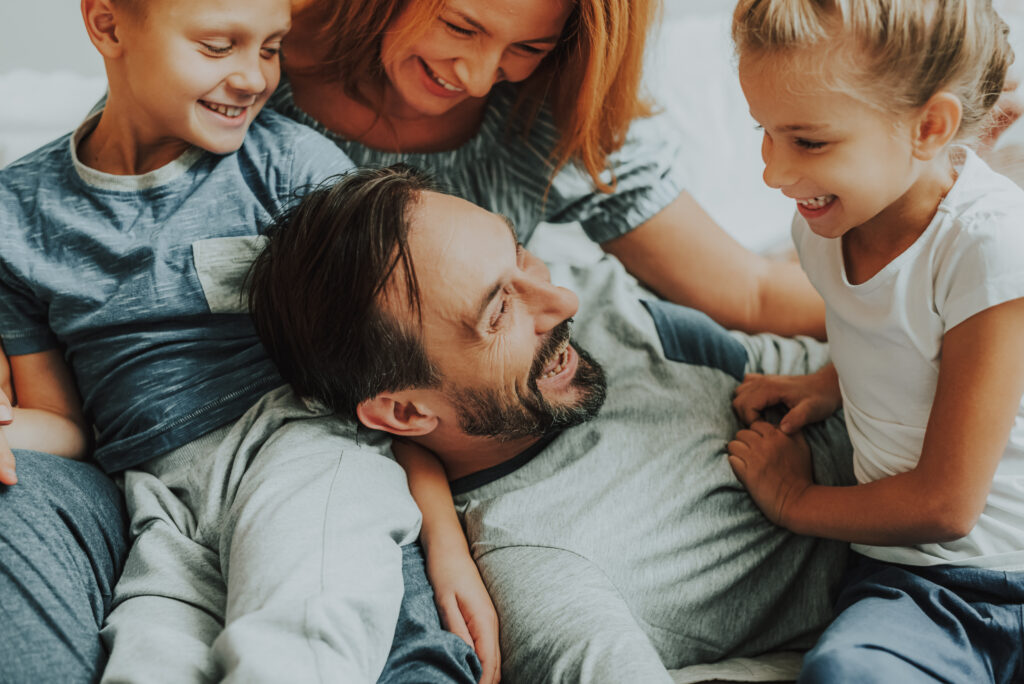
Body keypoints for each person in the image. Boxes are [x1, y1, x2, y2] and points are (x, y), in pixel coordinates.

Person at [0, 0, 482, 681]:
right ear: (107, 26)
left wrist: (447, 541)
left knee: (304, 635)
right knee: (148, 658)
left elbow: (389, 376)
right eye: (219, 45)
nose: (255, 78)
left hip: (296, 446)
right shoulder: (14, 216)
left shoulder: (294, 169)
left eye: (269, 47)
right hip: (159, 497)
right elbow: (63, 425)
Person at [246, 163, 859, 682]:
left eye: (519, 255)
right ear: (405, 412)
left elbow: (824, 353)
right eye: (498, 313)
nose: (560, 301)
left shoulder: (597, 326)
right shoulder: (548, 575)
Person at [726, 1, 1024, 682]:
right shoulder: (823, 222)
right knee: (844, 670)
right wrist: (827, 383)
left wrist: (794, 502)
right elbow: (894, 333)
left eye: (808, 141)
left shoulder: (988, 244)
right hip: (919, 587)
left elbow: (947, 505)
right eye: (764, 133)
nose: (773, 172)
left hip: (1002, 557)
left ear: (928, 127)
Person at [274, 0, 829, 340]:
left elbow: (750, 291)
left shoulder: (547, 119)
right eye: (461, 27)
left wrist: (907, 314)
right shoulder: (247, 62)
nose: (476, 77)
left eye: (528, 47)